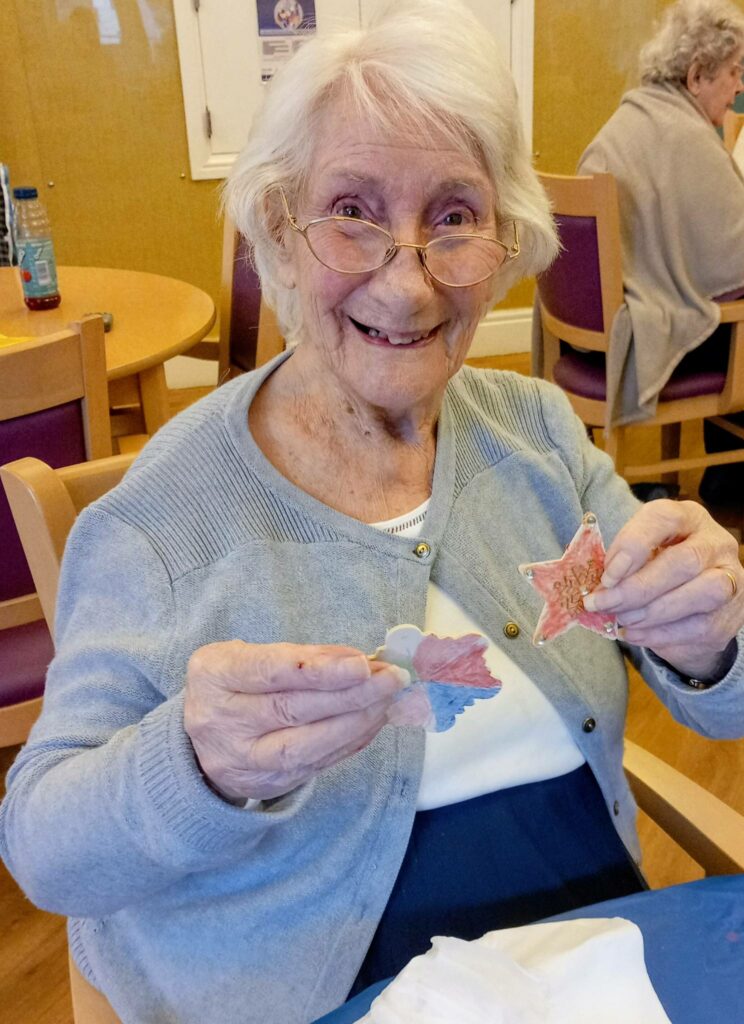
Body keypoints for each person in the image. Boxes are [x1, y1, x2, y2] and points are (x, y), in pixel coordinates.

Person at [2, 2, 744, 1022]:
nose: (407, 280)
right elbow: (44, 844)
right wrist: (195, 762)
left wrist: (714, 637)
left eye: (453, 217)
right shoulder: (157, 523)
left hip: (591, 965)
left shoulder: (538, 432)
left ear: (506, 241)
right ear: (279, 230)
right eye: (352, 210)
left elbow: (721, 700)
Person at [569, 0, 744, 499]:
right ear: (696, 76)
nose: (740, 86)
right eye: (733, 72)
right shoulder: (687, 136)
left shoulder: (631, 115)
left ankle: (725, 477)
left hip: (593, 334)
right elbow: (734, 260)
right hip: (639, 337)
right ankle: (729, 482)